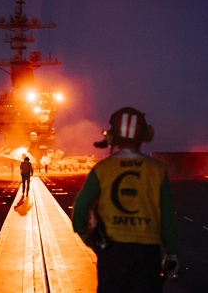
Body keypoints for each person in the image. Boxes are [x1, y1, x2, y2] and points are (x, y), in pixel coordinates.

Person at [71, 107, 179, 293]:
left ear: (112, 137)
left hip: (112, 252)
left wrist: (85, 235)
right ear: (146, 135)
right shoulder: (157, 170)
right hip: (148, 253)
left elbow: (81, 206)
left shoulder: (103, 168)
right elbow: (167, 217)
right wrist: (171, 253)